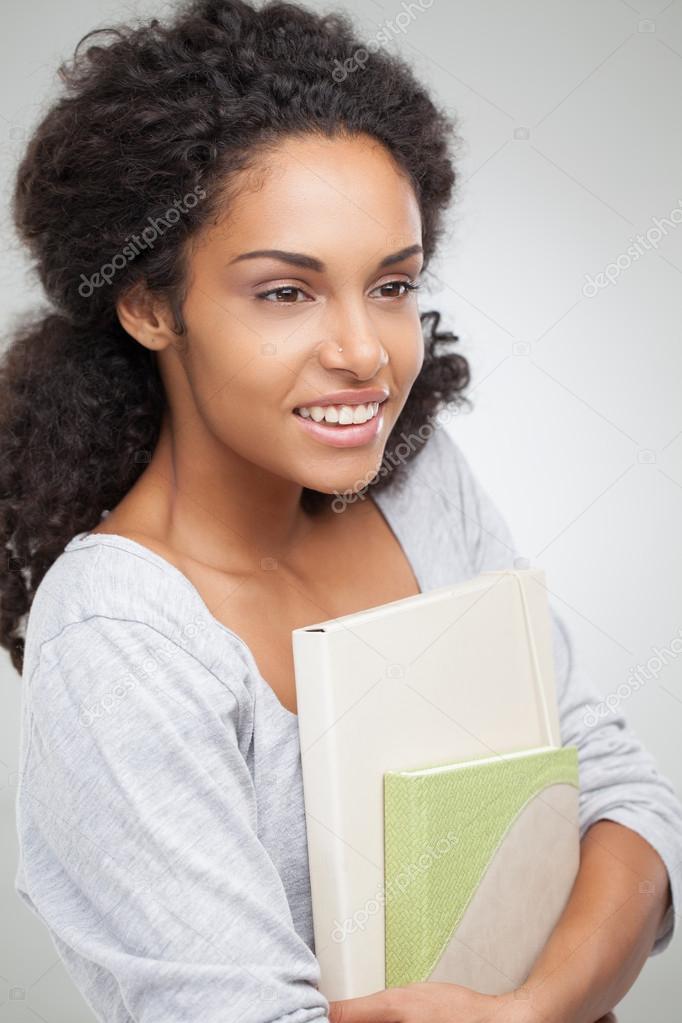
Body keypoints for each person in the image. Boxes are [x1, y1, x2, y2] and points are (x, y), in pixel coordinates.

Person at [2, 1, 680, 1021]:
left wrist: (533, 1007)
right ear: (147, 303)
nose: (365, 353)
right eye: (286, 292)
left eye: (393, 285)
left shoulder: (416, 482)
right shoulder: (121, 631)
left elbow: (621, 793)